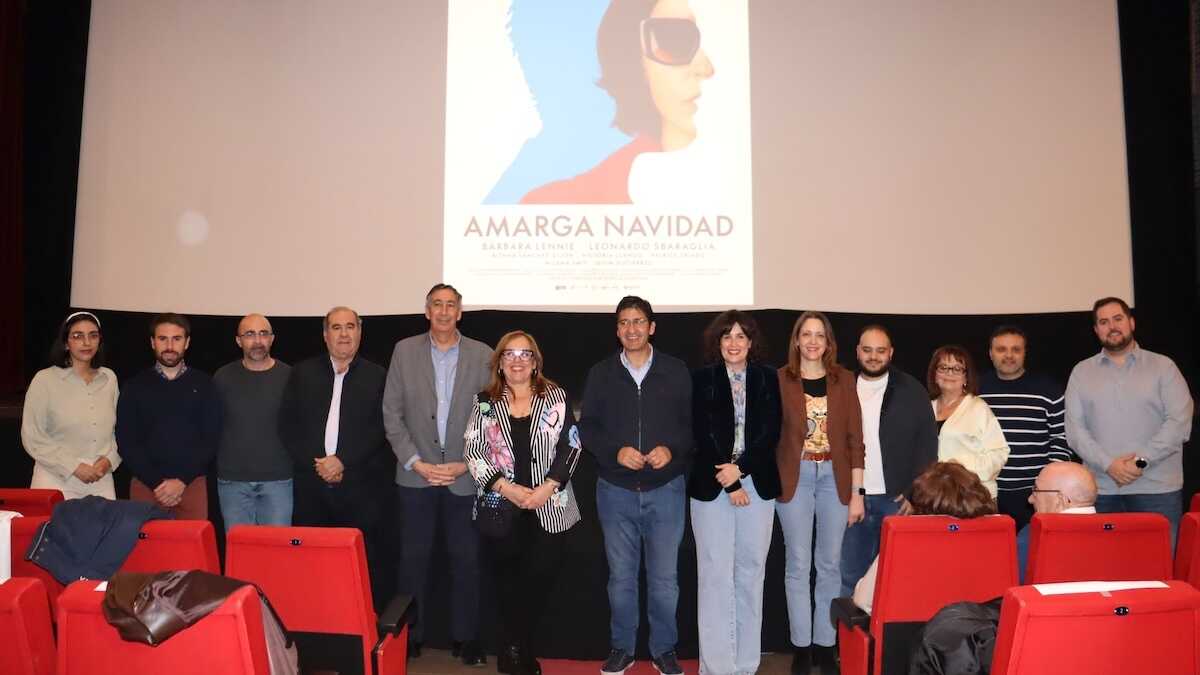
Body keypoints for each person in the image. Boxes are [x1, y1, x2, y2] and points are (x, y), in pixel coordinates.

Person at [579, 296, 692, 675]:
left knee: (665, 581)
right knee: (621, 579)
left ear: (652, 327)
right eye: (624, 322)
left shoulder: (676, 371)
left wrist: (671, 449)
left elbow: (691, 426)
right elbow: (587, 427)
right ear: (617, 330)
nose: (632, 329)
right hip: (616, 491)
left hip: (666, 490)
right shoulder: (601, 373)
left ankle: (664, 650)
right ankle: (622, 648)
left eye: (639, 321)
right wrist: (615, 452)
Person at [383, 283, 492, 665]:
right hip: (417, 477)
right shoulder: (404, 351)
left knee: (467, 562)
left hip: (465, 477)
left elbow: (491, 417)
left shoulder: (483, 354)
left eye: (450, 305)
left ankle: (466, 639)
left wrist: (467, 462)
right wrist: (416, 461)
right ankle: (411, 637)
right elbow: (392, 413)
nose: (444, 312)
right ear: (427, 311)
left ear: (460, 312)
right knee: (413, 562)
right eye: (437, 305)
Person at [463, 331, 582, 675]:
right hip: (502, 507)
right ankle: (515, 652)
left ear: (535, 362)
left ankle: (518, 645)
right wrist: (507, 488)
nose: (517, 360)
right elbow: (473, 451)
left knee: (539, 582)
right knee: (507, 583)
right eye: (509, 354)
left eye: (525, 354)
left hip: (549, 506)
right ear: (499, 363)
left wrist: (547, 487)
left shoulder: (556, 397)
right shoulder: (485, 402)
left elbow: (572, 445)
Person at [522, 0, 715, 204]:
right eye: (674, 40)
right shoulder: (556, 207)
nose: (706, 67)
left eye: (728, 40)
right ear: (637, 60)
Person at [279, 307, 393, 606]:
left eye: (350, 327)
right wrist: (318, 464)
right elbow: (287, 425)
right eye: (337, 327)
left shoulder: (378, 376)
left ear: (360, 332)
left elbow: (380, 428)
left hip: (360, 489)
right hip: (311, 488)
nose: (344, 334)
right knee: (312, 565)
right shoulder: (302, 373)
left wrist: (343, 461)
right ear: (325, 334)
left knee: (361, 567)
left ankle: (361, 622)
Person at [689, 310, 781, 675]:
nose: (734, 343)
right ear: (718, 342)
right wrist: (730, 481)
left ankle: (745, 665)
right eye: (727, 336)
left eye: (741, 336)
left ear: (751, 342)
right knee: (714, 576)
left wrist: (740, 472)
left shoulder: (767, 378)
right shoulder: (702, 379)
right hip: (712, 486)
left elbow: (770, 431)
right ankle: (716, 667)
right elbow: (702, 431)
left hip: (757, 484)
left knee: (751, 574)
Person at [775, 311, 865, 675]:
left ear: (828, 343)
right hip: (795, 477)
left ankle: (825, 645)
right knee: (797, 565)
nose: (813, 341)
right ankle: (801, 646)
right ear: (796, 340)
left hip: (834, 478)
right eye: (806, 334)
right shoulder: (780, 379)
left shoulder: (844, 380)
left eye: (820, 335)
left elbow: (856, 440)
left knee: (829, 564)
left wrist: (857, 492)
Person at [1065, 297, 1193, 548]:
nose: (1112, 326)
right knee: (1104, 566)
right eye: (1104, 322)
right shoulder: (1081, 372)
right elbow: (1075, 431)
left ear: (1131, 323)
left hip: (1158, 492)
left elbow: (1179, 423)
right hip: (1100, 492)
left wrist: (1140, 462)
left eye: (1118, 319)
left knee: (1159, 567)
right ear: (1096, 330)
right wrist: (1109, 465)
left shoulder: (1163, 367)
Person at [840, 325, 939, 598]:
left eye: (880, 350)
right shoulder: (842, 386)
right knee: (849, 577)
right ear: (857, 352)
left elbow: (927, 445)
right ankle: (848, 628)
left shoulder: (912, 390)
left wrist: (915, 492)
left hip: (896, 501)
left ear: (891, 353)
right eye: (867, 350)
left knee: (898, 579)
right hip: (851, 500)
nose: (873, 356)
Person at [852, 461, 998, 614]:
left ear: (922, 502)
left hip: (911, 627)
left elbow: (863, 600)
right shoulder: (994, 539)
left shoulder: (903, 540)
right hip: (976, 626)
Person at [116, 313, 221, 519]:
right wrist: (156, 483)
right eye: (163, 339)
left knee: (191, 541)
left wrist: (182, 480)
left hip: (192, 485)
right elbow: (126, 441)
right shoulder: (134, 386)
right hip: (146, 486)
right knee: (145, 541)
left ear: (187, 342)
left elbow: (211, 439)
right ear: (152, 342)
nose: (170, 346)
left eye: (177, 338)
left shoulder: (205, 385)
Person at [978, 325, 1075, 532]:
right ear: (990, 353)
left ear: (1025, 353)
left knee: (1034, 549)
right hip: (986, 493)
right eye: (1001, 349)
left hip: (1034, 496)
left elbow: (1061, 439)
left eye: (1016, 349)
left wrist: (1047, 486)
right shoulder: (977, 390)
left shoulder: (1049, 389)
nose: (1009, 355)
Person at [22, 311, 121, 499]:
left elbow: (119, 431)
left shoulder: (109, 378)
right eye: (77, 336)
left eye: (93, 335)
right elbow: (33, 436)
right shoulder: (45, 380)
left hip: (100, 478)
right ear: (66, 343)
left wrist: (109, 460)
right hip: (55, 479)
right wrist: (74, 467)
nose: (87, 342)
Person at [213, 313, 293, 529]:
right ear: (238, 340)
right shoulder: (222, 377)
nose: (258, 341)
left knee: (277, 548)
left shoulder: (290, 377)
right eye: (249, 334)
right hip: (232, 482)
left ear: (272, 339)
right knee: (239, 549)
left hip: (278, 480)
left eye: (263, 334)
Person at [927, 345, 1009, 499]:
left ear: (966, 377)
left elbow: (1000, 453)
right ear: (934, 374)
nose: (949, 373)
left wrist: (961, 466)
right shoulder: (925, 408)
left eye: (957, 368)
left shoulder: (978, 408)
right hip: (937, 496)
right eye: (943, 367)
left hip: (974, 496)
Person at [1015, 462, 1098, 582]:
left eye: (1036, 490)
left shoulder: (1032, 536)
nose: (1030, 499)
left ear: (1059, 500)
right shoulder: (1120, 535)